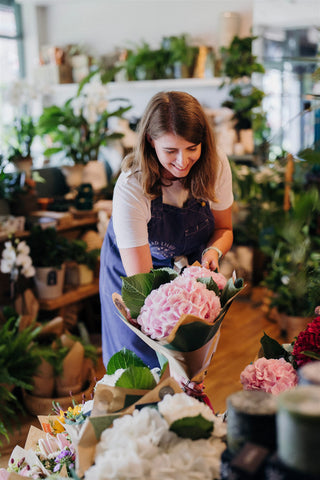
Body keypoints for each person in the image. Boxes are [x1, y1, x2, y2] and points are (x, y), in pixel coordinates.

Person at [100, 91, 234, 369]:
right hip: (135, 280)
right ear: (151, 141)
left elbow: (224, 228)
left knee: (190, 369)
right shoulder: (132, 185)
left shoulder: (215, 164)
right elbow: (143, 283)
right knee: (140, 365)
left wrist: (212, 251)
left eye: (191, 149)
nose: (183, 161)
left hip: (187, 270)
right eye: (170, 151)